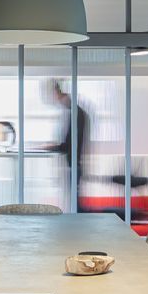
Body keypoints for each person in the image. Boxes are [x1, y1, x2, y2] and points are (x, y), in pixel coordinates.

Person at [46, 80, 92, 209]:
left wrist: (52, 147)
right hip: (74, 162)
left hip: (74, 163)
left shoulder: (74, 113)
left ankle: (79, 226)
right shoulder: (75, 111)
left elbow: (68, 143)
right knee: (74, 200)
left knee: (74, 202)